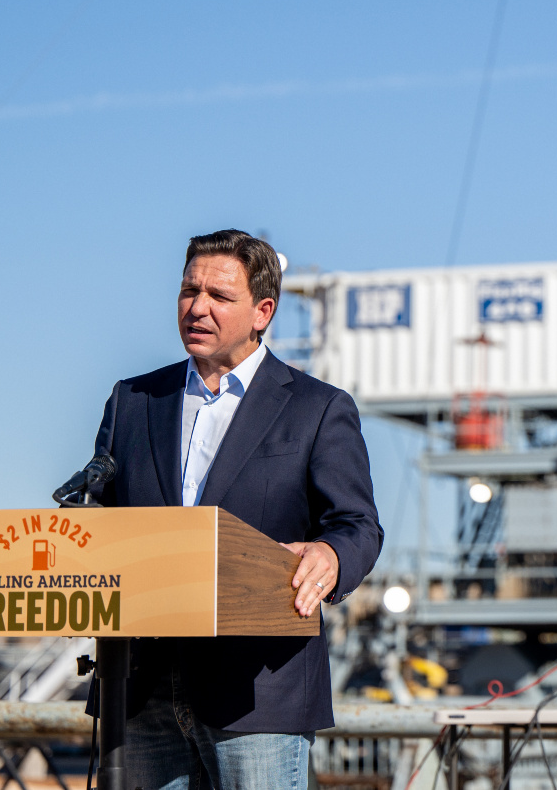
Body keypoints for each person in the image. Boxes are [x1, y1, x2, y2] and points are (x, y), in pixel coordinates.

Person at [88, 229, 383, 790]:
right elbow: (99, 517)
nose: (197, 307)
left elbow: (357, 524)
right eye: (188, 290)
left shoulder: (318, 409)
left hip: (257, 692)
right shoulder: (132, 401)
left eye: (219, 296)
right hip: (140, 685)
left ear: (262, 312)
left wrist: (331, 555)